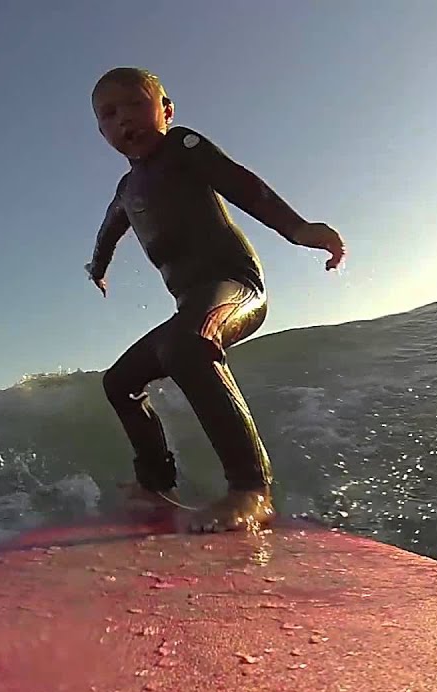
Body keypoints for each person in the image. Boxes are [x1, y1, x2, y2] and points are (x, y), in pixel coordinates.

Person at [84, 67, 346, 532]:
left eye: (135, 104)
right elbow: (108, 233)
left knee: (187, 345)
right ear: (102, 130)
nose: (124, 118)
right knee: (119, 382)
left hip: (236, 287)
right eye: (109, 113)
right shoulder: (126, 191)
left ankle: (251, 490)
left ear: (166, 110)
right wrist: (98, 269)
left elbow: (241, 184)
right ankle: (155, 484)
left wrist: (299, 229)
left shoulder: (183, 147)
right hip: (192, 307)